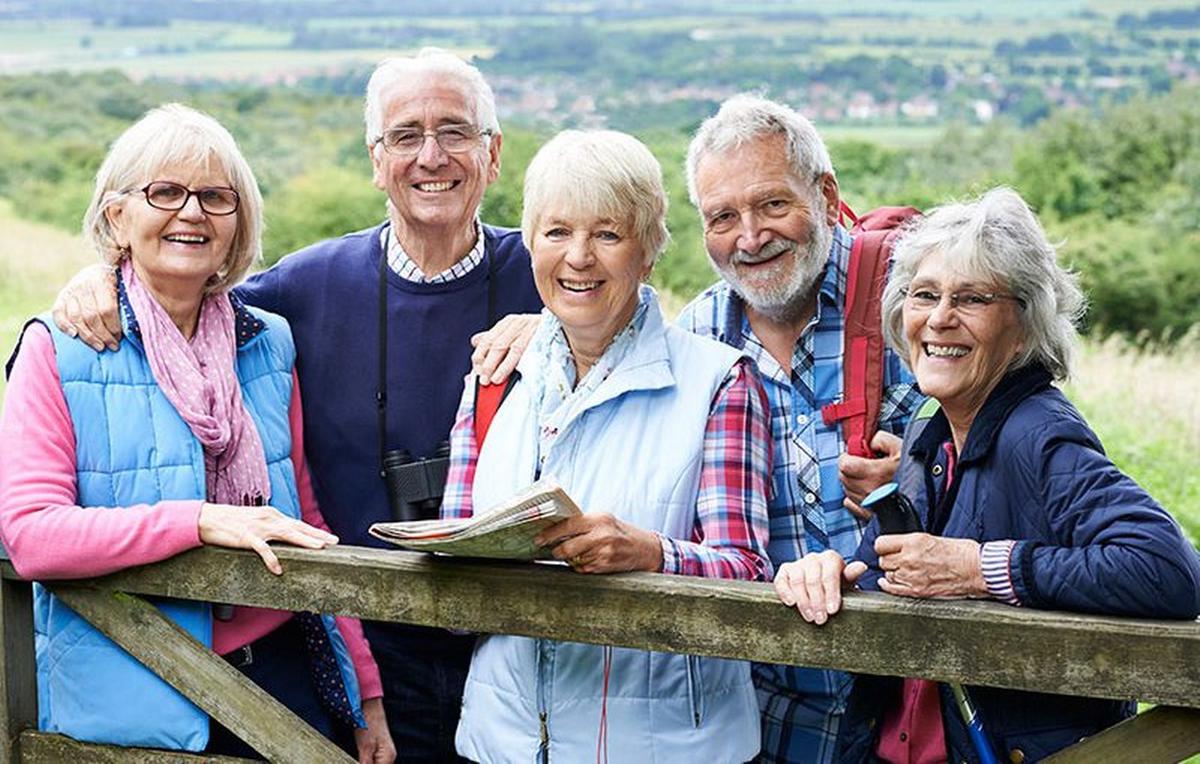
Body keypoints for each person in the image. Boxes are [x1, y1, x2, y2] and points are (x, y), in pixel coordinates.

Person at [49, 49, 544, 760]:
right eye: (405, 135)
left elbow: (643, 334)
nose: (431, 155)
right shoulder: (306, 287)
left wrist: (557, 327)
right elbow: (181, 298)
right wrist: (98, 279)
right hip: (367, 652)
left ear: (493, 155)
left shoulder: (556, 274)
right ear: (377, 160)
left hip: (523, 650)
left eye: (455, 132)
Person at [0, 104, 394, 762]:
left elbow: (304, 513)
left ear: (238, 222)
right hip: (133, 689)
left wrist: (366, 692)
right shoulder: (59, 348)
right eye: (165, 192)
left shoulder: (269, 343)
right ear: (118, 215)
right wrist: (199, 521)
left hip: (285, 674)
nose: (192, 213)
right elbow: (31, 535)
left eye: (216, 196)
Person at [773, 187, 1200, 762]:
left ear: (1023, 325)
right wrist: (832, 572)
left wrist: (978, 567)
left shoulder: (1037, 432)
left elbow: (1167, 569)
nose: (940, 319)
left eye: (971, 299)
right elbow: (894, 571)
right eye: (925, 295)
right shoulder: (935, 435)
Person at [441, 130, 773, 763]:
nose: (579, 257)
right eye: (557, 231)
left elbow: (749, 576)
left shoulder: (718, 383)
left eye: (608, 234)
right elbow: (458, 589)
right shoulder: (491, 381)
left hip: (668, 749)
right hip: (503, 743)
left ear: (648, 252)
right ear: (531, 243)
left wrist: (650, 553)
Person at [675, 95, 926, 763]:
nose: (750, 237)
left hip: (913, 714)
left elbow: (1018, 457)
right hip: (764, 725)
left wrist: (920, 480)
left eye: (772, 205)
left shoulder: (918, 301)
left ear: (825, 194)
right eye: (722, 217)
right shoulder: (693, 341)